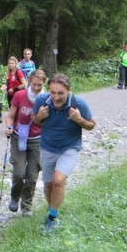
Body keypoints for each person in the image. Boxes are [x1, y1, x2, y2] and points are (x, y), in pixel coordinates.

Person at [33, 74, 96, 232]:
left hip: (70, 147)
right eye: (53, 92)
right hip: (47, 147)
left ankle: (52, 218)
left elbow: (91, 125)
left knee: (58, 180)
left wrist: (80, 120)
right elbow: (35, 120)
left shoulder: (79, 103)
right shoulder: (42, 101)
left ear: (69, 90)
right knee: (48, 184)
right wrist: (39, 117)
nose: (56, 97)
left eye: (60, 93)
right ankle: (53, 209)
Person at [4, 69, 47, 217]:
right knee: (18, 173)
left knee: (32, 175)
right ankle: (15, 197)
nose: (36, 88)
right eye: (34, 84)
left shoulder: (48, 99)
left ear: (44, 84)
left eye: (39, 85)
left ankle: (26, 206)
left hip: (38, 140)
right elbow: (10, 116)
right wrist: (8, 127)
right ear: (29, 81)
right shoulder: (20, 95)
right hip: (19, 137)